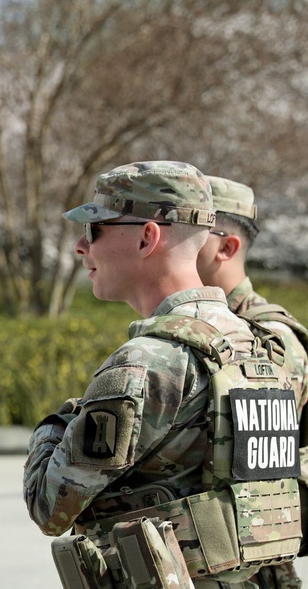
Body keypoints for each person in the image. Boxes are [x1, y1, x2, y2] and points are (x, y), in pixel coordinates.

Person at [23, 161, 301, 588]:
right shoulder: (267, 349)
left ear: (146, 237)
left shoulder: (149, 362)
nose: (81, 246)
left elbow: (49, 506)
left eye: (95, 229)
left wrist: (56, 425)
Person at [197, 175, 308, 589]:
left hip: (249, 570)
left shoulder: (268, 339)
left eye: (195, 233)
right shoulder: (202, 327)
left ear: (227, 246)